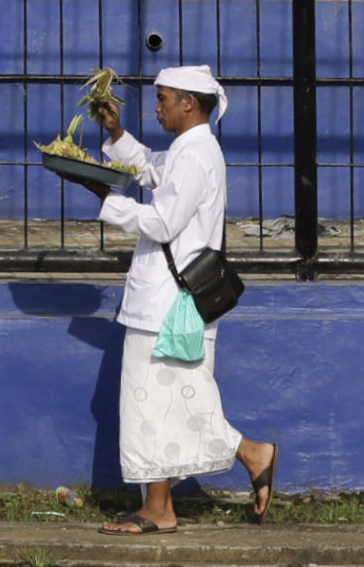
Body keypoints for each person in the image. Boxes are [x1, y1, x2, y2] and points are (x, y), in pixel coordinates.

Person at [89, 64, 281, 534]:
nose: (158, 108)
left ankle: (163, 506)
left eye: (163, 99)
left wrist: (104, 196)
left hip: (168, 302)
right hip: (170, 301)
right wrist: (116, 133)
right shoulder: (188, 150)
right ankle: (245, 458)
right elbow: (151, 169)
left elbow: (162, 223)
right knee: (170, 401)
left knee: (152, 403)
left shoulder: (195, 156)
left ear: (189, 103)